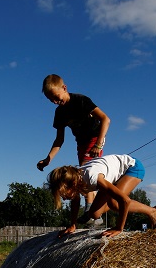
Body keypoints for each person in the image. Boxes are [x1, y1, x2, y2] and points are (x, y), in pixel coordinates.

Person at [36, 74, 111, 226]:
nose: (56, 102)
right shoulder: (60, 113)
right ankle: (95, 211)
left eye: (57, 98)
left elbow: (105, 119)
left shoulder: (81, 101)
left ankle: (91, 212)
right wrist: (48, 159)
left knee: (84, 172)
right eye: (51, 100)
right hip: (81, 143)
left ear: (64, 88)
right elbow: (59, 140)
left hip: (94, 139)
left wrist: (98, 144)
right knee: (81, 177)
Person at [48, 154, 156, 238]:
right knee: (94, 214)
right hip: (110, 177)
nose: (63, 198)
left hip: (131, 167)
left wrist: (118, 228)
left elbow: (125, 201)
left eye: (63, 194)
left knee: (116, 203)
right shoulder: (75, 179)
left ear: (72, 184)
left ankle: (152, 211)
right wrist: (73, 225)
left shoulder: (92, 178)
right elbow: (75, 201)